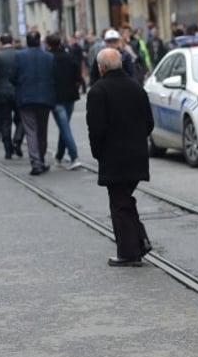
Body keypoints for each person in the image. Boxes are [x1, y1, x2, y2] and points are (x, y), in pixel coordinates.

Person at [87, 48, 155, 266]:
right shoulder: (137, 88)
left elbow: (96, 129)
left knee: (119, 203)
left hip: (113, 157)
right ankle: (139, 242)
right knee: (124, 199)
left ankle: (128, 252)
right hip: (137, 155)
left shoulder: (98, 91)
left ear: (100, 68)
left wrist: (99, 153)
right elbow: (149, 123)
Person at [11, 31, 56, 175]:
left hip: (26, 98)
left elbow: (12, 77)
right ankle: (41, 160)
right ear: (39, 41)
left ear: (27, 41)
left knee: (31, 130)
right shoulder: (49, 57)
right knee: (42, 130)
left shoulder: (19, 56)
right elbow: (54, 76)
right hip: (45, 98)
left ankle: (36, 162)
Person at [46, 33, 83, 169]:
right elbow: (78, 76)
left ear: (48, 44)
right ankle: (59, 156)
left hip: (56, 98)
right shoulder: (69, 56)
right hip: (70, 96)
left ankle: (74, 156)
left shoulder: (48, 58)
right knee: (64, 125)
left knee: (64, 127)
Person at [0, 34, 26, 159]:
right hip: (18, 91)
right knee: (21, 118)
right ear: (12, 42)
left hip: (1, 93)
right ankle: (18, 139)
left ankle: (8, 149)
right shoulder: (20, 54)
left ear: (1, 42)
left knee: (5, 121)